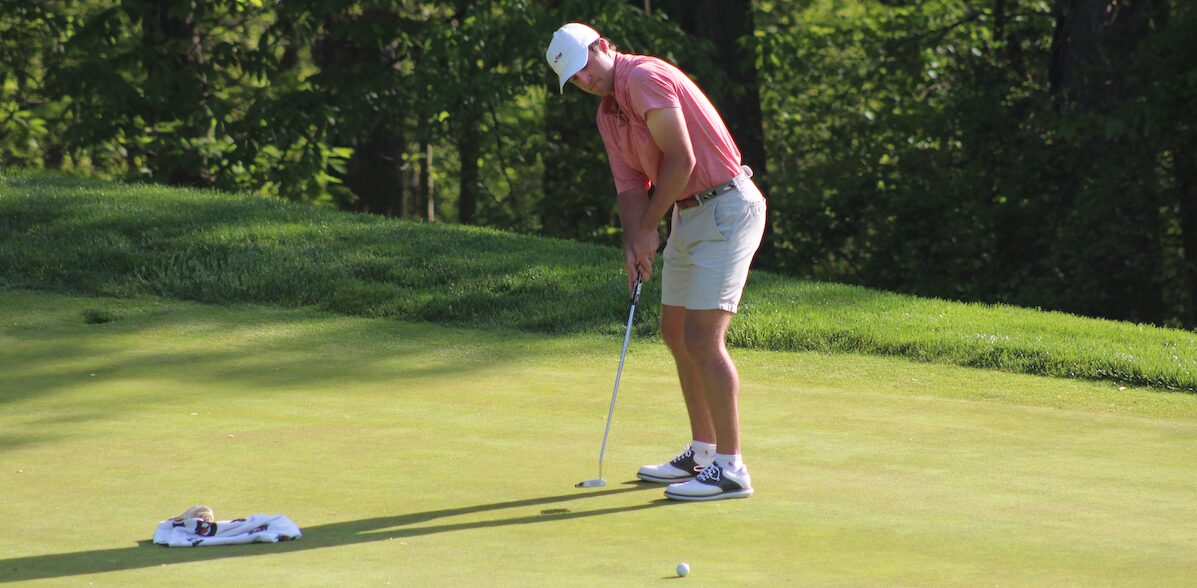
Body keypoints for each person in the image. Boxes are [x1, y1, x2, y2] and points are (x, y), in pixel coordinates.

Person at [546, 23, 767, 501]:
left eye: (584, 67)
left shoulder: (644, 77)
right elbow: (629, 186)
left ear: (602, 46)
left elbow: (682, 159)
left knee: (703, 337)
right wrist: (634, 241)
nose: (584, 81)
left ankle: (732, 468)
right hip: (686, 214)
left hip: (727, 207)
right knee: (674, 332)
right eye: (575, 80)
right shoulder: (608, 115)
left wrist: (650, 227)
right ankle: (703, 452)